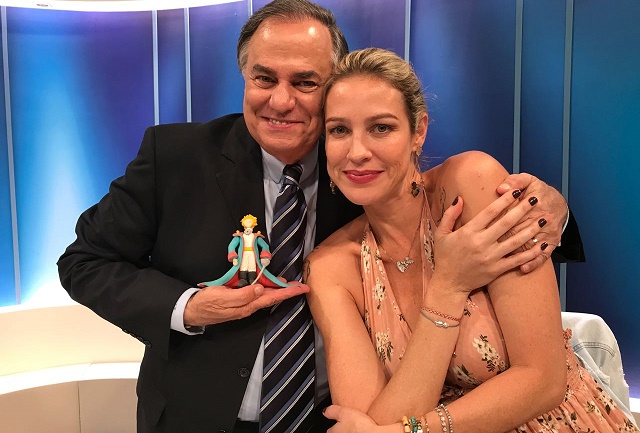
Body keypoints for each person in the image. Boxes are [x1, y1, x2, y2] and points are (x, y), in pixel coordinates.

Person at [57, 1, 583, 432]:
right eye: (264, 78)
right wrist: (188, 307)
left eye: (305, 82)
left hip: (323, 421)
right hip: (197, 418)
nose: (280, 101)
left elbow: (472, 213)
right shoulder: (175, 156)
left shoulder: (362, 178)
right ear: (244, 76)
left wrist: (552, 211)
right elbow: (84, 261)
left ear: (332, 89)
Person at [305, 47, 637, 433]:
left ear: (418, 131)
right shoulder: (329, 267)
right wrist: (448, 287)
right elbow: (367, 422)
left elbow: (543, 380)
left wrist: (411, 430)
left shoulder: (470, 184)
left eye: (381, 128)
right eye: (339, 130)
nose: (357, 152)